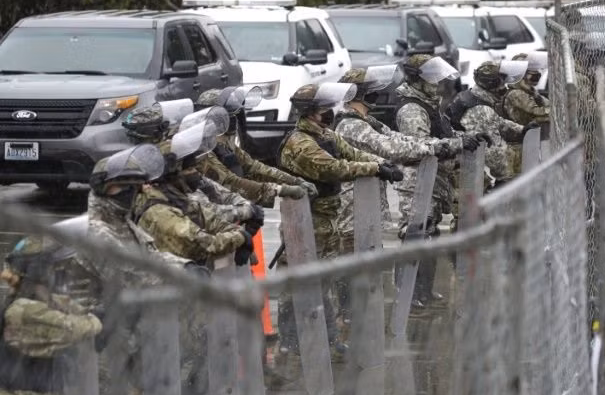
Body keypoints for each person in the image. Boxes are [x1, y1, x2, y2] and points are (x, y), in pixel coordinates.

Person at [276, 82, 402, 357]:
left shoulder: (326, 135)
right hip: (305, 218)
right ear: (310, 111)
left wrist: (381, 164)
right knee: (296, 280)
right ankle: (290, 340)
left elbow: (351, 153)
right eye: (323, 108)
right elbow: (333, 168)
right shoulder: (301, 143)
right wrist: (374, 168)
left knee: (324, 280)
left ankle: (327, 337)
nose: (329, 112)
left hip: (327, 217)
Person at [333, 65, 462, 321]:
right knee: (351, 255)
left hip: (365, 202)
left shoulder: (367, 121)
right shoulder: (349, 125)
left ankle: (359, 313)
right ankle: (350, 315)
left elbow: (402, 139)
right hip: (351, 205)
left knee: (367, 255)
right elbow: (392, 148)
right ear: (358, 95)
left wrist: (446, 143)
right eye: (370, 92)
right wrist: (446, 146)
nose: (377, 95)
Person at [394, 54, 490, 308]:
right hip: (418, 182)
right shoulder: (412, 108)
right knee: (415, 235)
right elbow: (418, 145)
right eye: (431, 78)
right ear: (417, 79)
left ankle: (424, 291)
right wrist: (458, 143)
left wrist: (466, 136)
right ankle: (409, 296)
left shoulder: (427, 104)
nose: (437, 84)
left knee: (430, 234)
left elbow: (442, 133)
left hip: (434, 180)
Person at [0, 236, 102, 395]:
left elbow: (72, 306)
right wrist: (99, 318)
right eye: (56, 266)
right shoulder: (22, 310)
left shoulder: (42, 299)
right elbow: (75, 328)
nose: (63, 270)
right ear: (39, 270)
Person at [130, 119, 252, 268]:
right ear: (171, 175)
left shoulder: (174, 197)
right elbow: (204, 244)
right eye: (188, 170)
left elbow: (208, 217)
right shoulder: (158, 210)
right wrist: (240, 237)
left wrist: (236, 229)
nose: (194, 174)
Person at [185, 92, 309, 208]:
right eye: (226, 116)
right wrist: (281, 190)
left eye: (233, 115)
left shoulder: (223, 142)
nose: (232, 120)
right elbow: (231, 183)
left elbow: (253, 166)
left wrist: (293, 180)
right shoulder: (199, 148)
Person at [447, 59, 538, 188]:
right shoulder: (481, 110)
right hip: (467, 173)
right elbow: (494, 154)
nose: (505, 87)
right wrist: (507, 177)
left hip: (465, 163)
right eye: (502, 83)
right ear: (492, 84)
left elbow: (497, 121)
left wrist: (522, 129)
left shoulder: (474, 96)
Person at [501, 51, 551, 127]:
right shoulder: (516, 93)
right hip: (522, 131)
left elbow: (546, 102)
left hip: (531, 127)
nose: (535, 76)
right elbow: (536, 111)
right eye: (530, 73)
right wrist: (554, 110)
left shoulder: (529, 90)